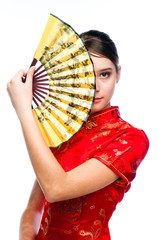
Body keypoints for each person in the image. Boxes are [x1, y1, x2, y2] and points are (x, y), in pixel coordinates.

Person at [7, 30, 149, 240]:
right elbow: (33, 209)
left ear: (118, 74)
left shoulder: (130, 139)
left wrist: (23, 111)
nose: (96, 87)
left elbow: (56, 188)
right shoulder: (63, 129)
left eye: (105, 74)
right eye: (86, 75)